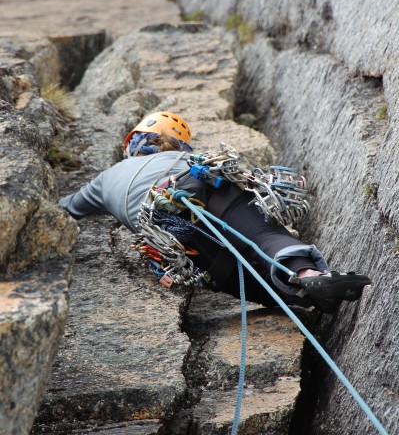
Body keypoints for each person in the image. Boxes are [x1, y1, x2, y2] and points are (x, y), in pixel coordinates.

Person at [59, 111, 371, 313]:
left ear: (133, 144)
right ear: (180, 145)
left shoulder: (106, 179)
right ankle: (308, 274)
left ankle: (300, 299)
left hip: (170, 228)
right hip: (207, 181)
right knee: (265, 236)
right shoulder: (185, 159)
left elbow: (67, 209)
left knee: (234, 276)